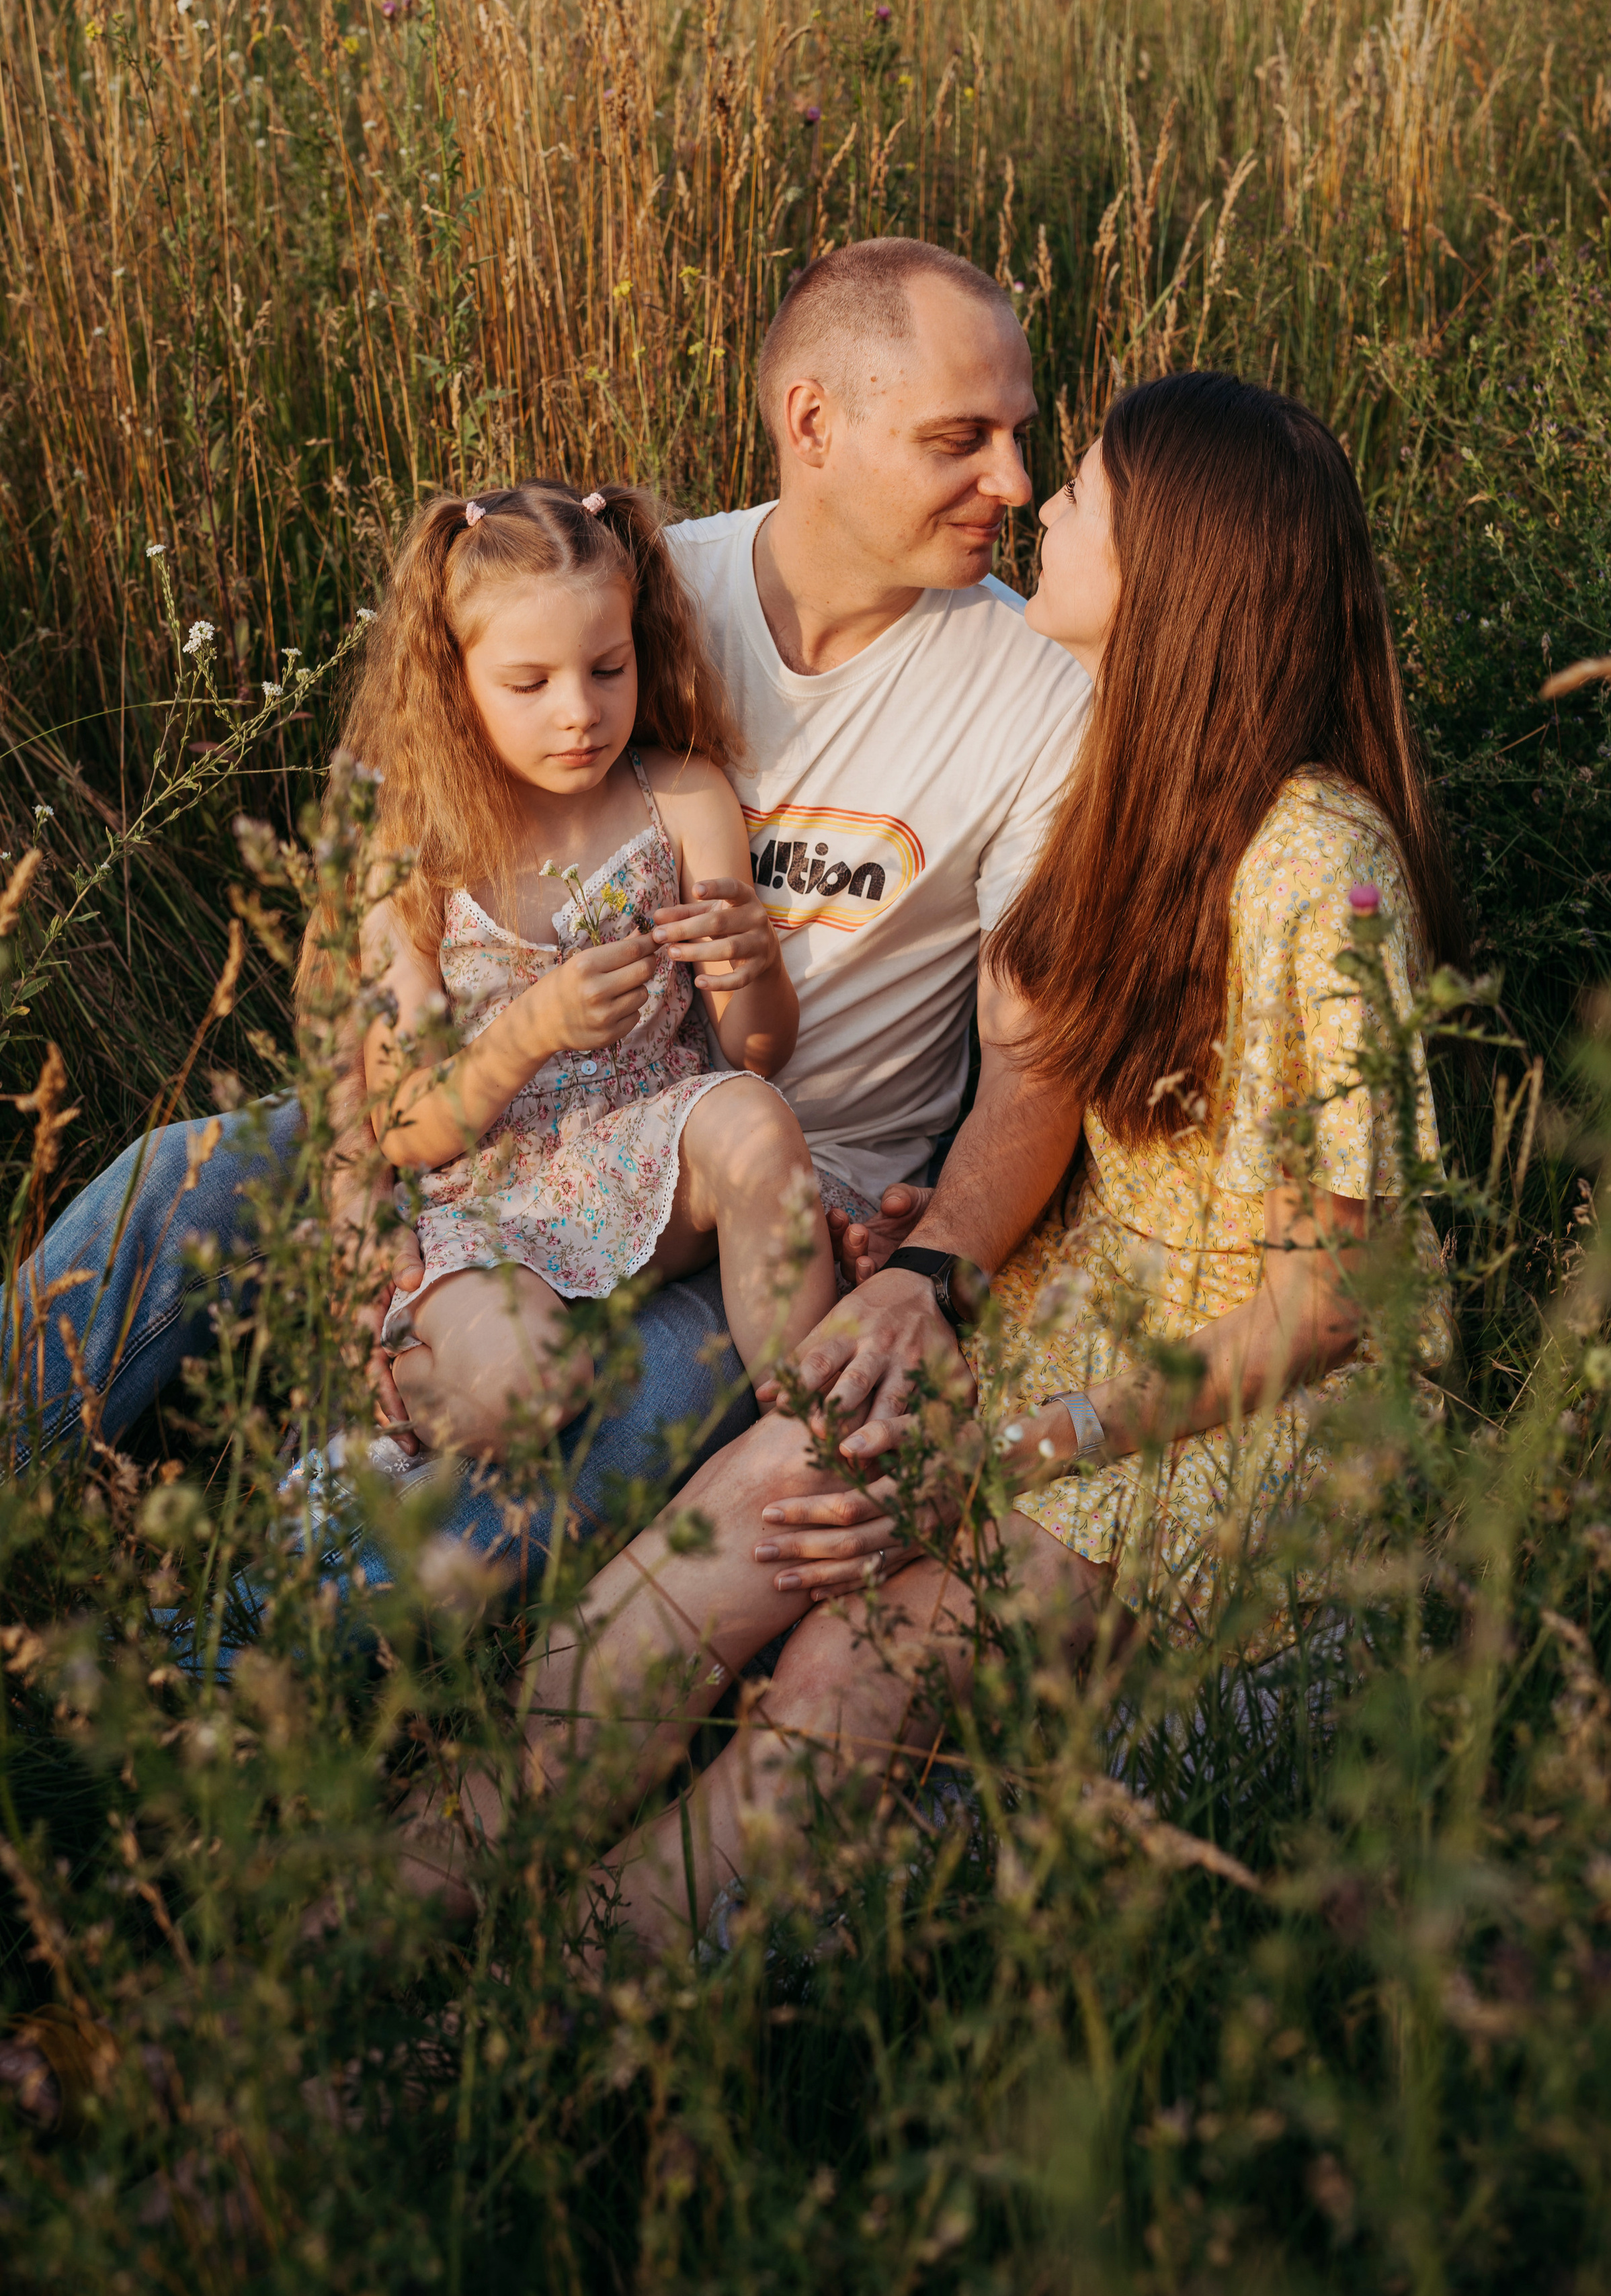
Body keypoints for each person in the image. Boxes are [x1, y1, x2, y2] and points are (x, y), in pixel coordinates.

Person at [498, 371, 1465, 1958]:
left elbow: (1334, 1300)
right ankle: (370, 1922)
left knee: (836, 1682)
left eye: (1077, 491)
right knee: (687, 1581)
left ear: (1176, 570)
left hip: (1245, 1406)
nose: (1036, 503)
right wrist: (933, 1258)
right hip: (1062, 1315)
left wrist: (1023, 1445)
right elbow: (1062, 1108)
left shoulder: (1318, 863)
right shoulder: (1120, 784)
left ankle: (496, 2033)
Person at [6, 239, 1091, 1568]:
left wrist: (929, 1275)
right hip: (480, 1127)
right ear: (812, 423)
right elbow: (362, 942)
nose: (1015, 482)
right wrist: (363, 1240)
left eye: (1019, 436)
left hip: (760, 1194)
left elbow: (1038, 1059)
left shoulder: (1039, 691)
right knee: (180, 1182)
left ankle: (192, 1699)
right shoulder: (616, 592)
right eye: (958, 439)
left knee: (528, 1486)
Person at [321, 479, 833, 1458]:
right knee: (530, 1392)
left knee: (757, 1124)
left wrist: (757, 965)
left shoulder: (680, 796)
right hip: (490, 1196)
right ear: (453, 683)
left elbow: (754, 1053)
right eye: (530, 683)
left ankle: (805, 1430)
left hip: (650, 1151)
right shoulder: (420, 853)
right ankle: (409, 1380)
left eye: (608, 668)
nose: (580, 714)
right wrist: (530, 1029)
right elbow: (406, 1125)